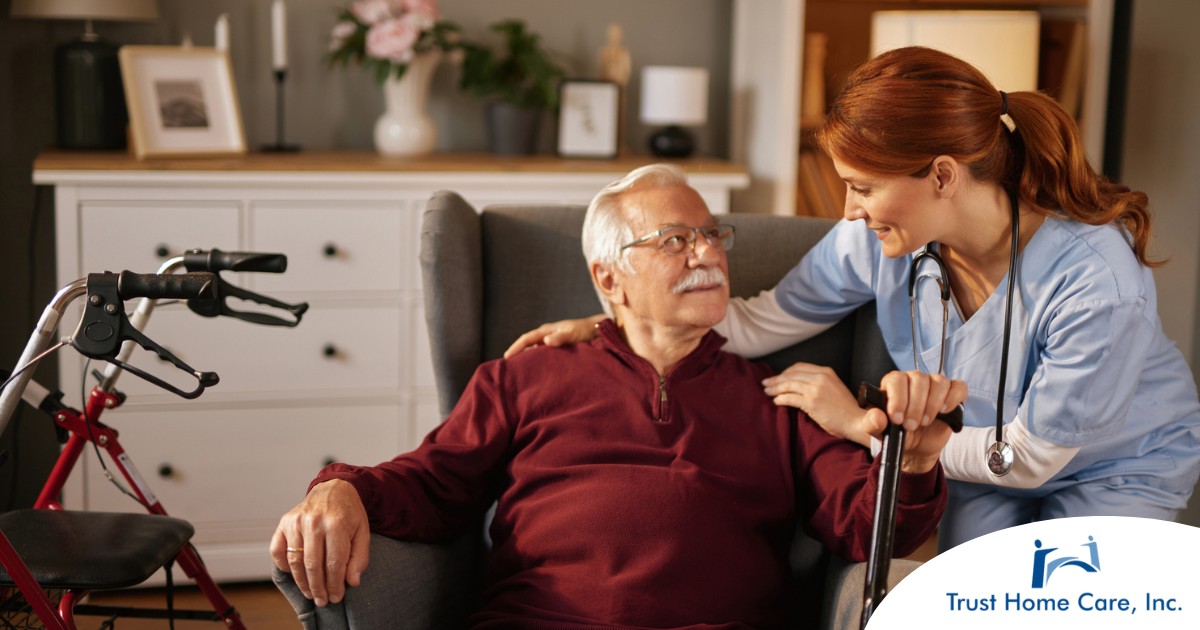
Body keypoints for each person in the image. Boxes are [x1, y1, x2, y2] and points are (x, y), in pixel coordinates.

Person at [504, 46, 1200, 551]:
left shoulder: (1094, 282)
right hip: (976, 456)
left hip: (1115, 460)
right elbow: (750, 324)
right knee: (968, 603)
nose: (848, 208)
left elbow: (1032, 457)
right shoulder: (875, 240)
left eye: (862, 187)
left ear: (942, 176)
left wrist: (862, 424)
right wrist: (618, 321)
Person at [271, 163, 953, 628]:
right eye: (675, 241)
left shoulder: (779, 397)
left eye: (713, 235)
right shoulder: (523, 376)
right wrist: (340, 488)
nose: (708, 255)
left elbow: (867, 525)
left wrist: (916, 460)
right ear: (610, 276)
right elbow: (432, 482)